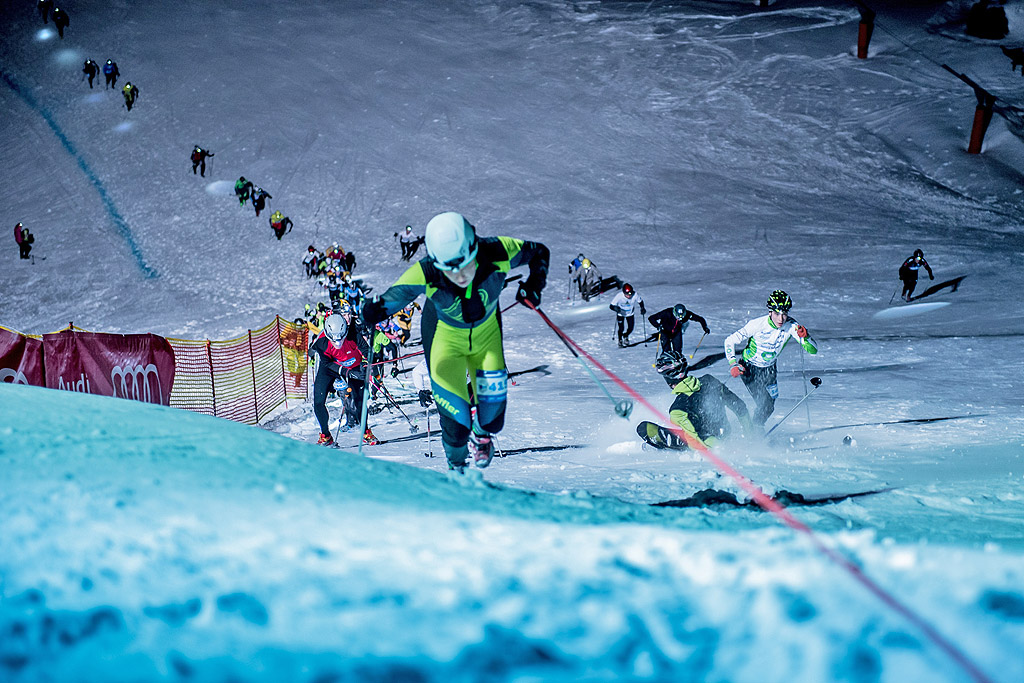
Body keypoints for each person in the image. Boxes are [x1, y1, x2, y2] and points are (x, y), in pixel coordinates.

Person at [361, 211, 549, 472]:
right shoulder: (426, 270)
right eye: (448, 268)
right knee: (456, 424)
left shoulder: (496, 251)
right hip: (444, 343)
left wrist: (535, 284)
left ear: (474, 247)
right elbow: (391, 298)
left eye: (464, 264)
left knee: (493, 418)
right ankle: (457, 469)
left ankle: (482, 437)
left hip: (486, 342)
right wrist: (372, 311)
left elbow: (539, 252)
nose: (459, 275)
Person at [724, 289, 818, 428]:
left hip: (770, 369)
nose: (781, 319)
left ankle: (755, 428)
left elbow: (814, 350)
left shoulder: (791, 326)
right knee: (765, 405)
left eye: (784, 313)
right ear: (770, 312)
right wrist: (732, 363)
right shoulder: (757, 324)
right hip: (749, 368)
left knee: (770, 405)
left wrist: (806, 337)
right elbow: (729, 341)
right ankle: (754, 432)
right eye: (776, 313)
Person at [639, 351, 752, 450]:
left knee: (644, 428)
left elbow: (697, 443)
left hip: (710, 447)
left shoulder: (677, 409)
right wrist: (750, 437)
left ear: (668, 378)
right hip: (725, 435)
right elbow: (740, 407)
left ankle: (671, 445)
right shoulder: (710, 381)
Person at [310, 314, 374, 446]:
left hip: (353, 364)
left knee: (360, 400)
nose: (338, 343)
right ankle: (326, 436)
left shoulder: (353, 334)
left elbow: (367, 351)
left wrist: (364, 364)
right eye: (334, 341)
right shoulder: (321, 343)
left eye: (341, 339)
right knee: (318, 402)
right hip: (330, 367)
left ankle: (366, 432)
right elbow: (328, 364)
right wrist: (347, 372)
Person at [609, 283, 646, 347]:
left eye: (630, 294)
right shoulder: (619, 296)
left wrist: (642, 308)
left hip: (630, 314)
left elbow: (640, 301)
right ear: (623, 293)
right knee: (621, 328)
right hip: (621, 314)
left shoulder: (635, 295)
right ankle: (620, 339)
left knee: (631, 328)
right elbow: (611, 306)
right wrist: (616, 308)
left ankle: (626, 335)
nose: (629, 296)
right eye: (627, 294)